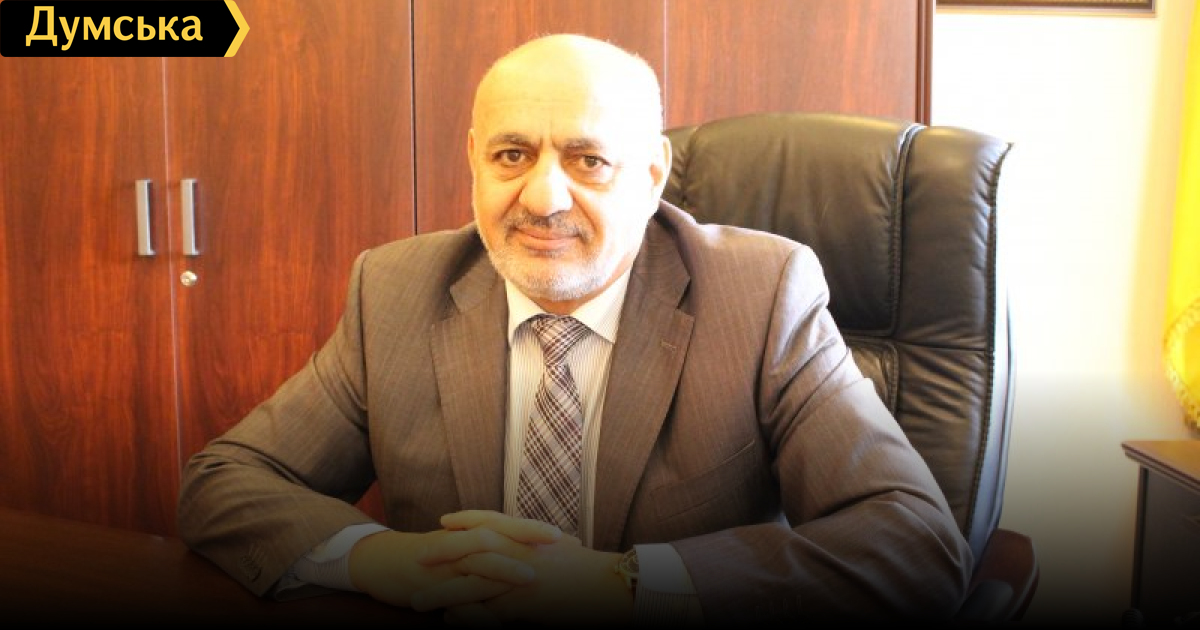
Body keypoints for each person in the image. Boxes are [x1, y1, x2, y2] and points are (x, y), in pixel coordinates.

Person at [177, 33, 973, 626]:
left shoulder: (761, 295)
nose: (543, 198)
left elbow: (913, 545)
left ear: (652, 176)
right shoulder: (396, 289)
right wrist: (379, 559)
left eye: (588, 160)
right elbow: (225, 480)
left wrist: (622, 586)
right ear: (474, 160)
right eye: (512, 155)